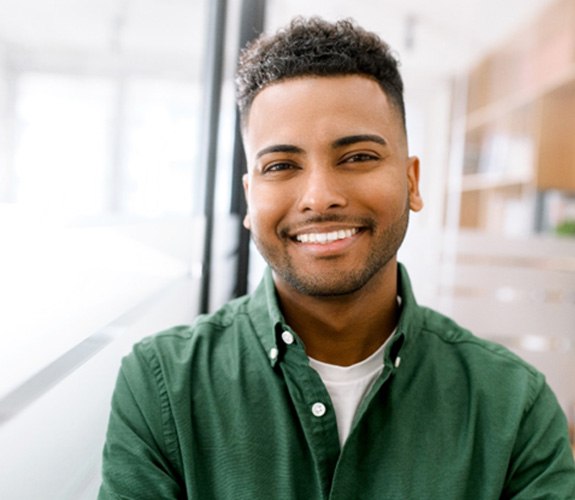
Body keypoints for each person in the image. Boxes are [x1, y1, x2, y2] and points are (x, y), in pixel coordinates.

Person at [98, 17, 575, 499]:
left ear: (412, 182)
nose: (320, 197)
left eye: (358, 157)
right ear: (250, 198)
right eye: (281, 166)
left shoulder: (514, 405)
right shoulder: (162, 386)